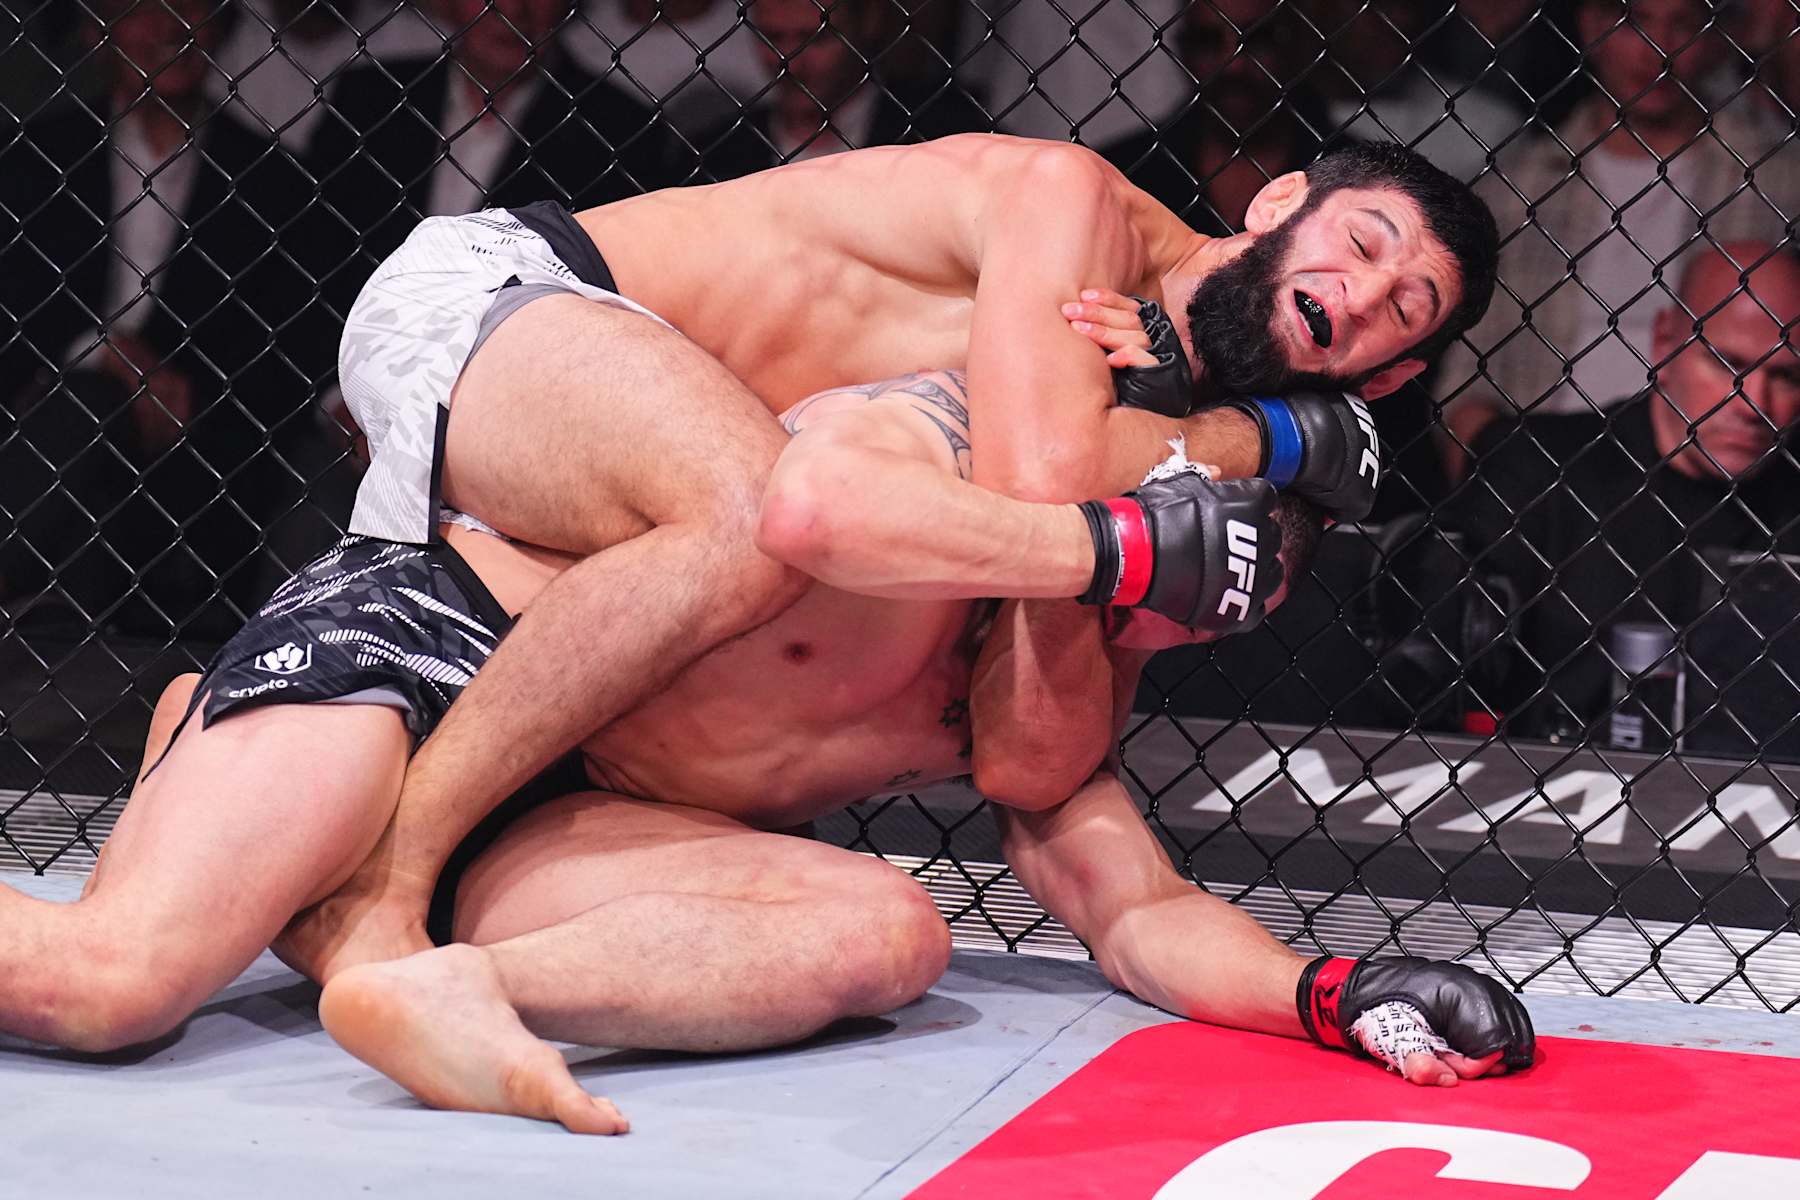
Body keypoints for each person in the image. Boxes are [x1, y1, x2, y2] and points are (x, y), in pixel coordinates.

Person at [1, 335, 1532, 1132]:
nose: (1194, 610)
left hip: (551, 822)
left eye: (1227, 604)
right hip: (441, 654)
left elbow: (1133, 911)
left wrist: (1333, 995)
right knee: (115, 984)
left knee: (886, 932)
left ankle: (420, 976)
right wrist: (1093, 539)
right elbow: (815, 484)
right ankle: (291, 823)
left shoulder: (1056, 700)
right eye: (1204, 557)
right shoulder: (942, 462)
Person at [289, 135, 1499, 982]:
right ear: (1279, 200)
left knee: (762, 541)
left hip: (628, 463)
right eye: (1364, 240)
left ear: (1389, 377)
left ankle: (287, 760)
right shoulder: (1068, 202)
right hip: (508, 300)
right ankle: (390, 880)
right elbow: (1047, 485)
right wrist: (1271, 433)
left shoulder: (1154, 398)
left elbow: (1038, 756)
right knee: (759, 519)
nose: (1367, 287)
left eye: (1405, 305)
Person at [0, 0, 318, 635]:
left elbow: (283, 356)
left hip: (199, 441)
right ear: (98, 31)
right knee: (88, 404)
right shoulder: (37, 158)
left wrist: (173, 385)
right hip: (47, 414)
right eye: (142, 8)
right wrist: (105, 353)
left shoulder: (271, 180)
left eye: (193, 7)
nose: (171, 25)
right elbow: (17, 314)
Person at [1431, 0, 1800, 478]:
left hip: (1709, 467)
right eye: (1635, 22)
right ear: (1591, 24)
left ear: (1711, 37)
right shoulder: (1519, 187)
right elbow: (1464, 387)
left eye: (1683, 24)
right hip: (1546, 469)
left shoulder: (1775, 180)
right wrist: (1506, 484)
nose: (1658, 48)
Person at [1450, 241, 1800, 741]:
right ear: (1665, 343)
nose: (1753, 402)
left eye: (1786, 375)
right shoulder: (1537, 470)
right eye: (1727, 364)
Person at [686, 0, 987, 182]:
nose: (791, 64)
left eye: (816, 39)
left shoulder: (944, 134)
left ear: (868, 22)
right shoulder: (717, 155)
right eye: (773, 38)